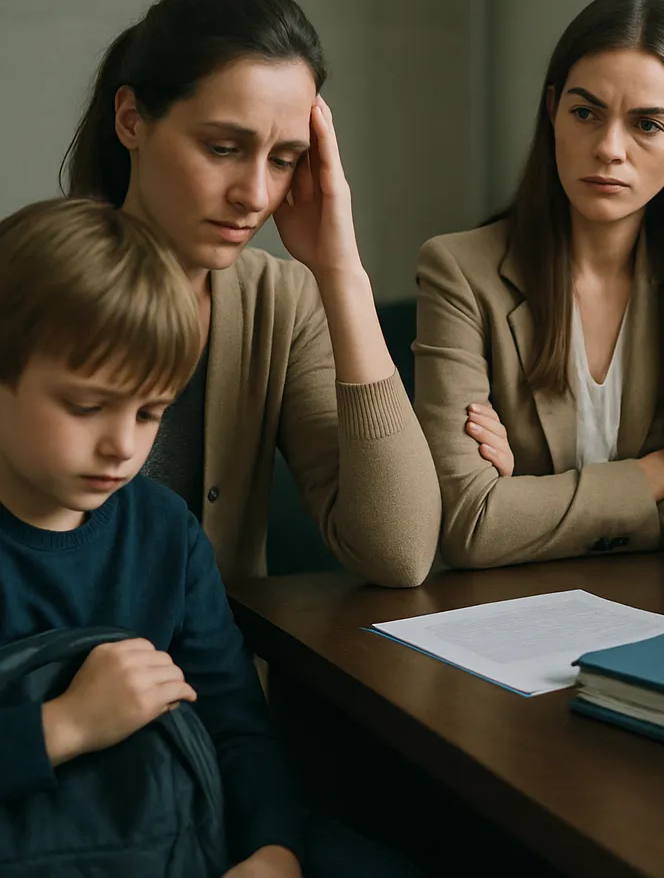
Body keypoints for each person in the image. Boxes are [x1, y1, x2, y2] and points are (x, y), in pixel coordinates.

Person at [0, 198, 422, 876]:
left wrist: (270, 849)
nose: (120, 445)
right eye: (85, 407)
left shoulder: (166, 533)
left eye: (149, 413)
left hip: (176, 838)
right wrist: (66, 726)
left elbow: (234, 725)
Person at [63, 0, 440, 586]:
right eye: (221, 148)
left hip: (221, 678)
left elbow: (400, 553)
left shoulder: (281, 302)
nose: (255, 195)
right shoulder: (32, 284)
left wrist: (341, 270)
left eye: (284, 159)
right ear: (132, 120)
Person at [414, 0, 664, 568]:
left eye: (647, 124)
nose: (608, 149)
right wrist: (647, 478)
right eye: (585, 113)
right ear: (552, 110)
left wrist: (528, 500)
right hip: (502, 613)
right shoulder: (459, 271)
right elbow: (467, 523)